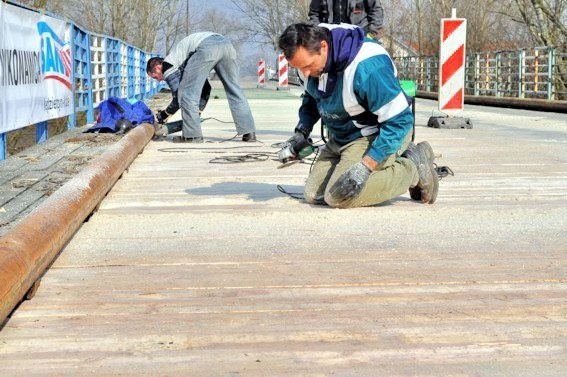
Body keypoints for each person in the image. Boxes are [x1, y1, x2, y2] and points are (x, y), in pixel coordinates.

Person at [277, 22, 438, 208]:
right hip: (341, 137)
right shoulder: (309, 63)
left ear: (323, 46)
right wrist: (301, 132)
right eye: (298, 68)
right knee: (314, 195)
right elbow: (312, 97)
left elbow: (400, 121)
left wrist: (366, 166)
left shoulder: (367, 66)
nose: (304, 73)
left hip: (376, 135)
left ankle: (412, 165)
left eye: (308, 66)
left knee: (339, 197)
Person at [146, 32, 256, 142]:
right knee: (234, 90)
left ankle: (192, 136)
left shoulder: (168, 65)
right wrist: (197, 113)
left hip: (206, 47)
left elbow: (179, 98)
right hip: (227, 45)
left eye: (156, 77)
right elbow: (205, 89)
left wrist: (163, 115)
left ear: (156, 68)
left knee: (186, 94)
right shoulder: (180, 59)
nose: (160, 80)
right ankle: (249, 133)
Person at [308, 0, 384, 39]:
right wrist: (318, 34)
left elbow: (376, 10)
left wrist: (371, 35)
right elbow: (314, 13)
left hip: (360, 36)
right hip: (332, 38)